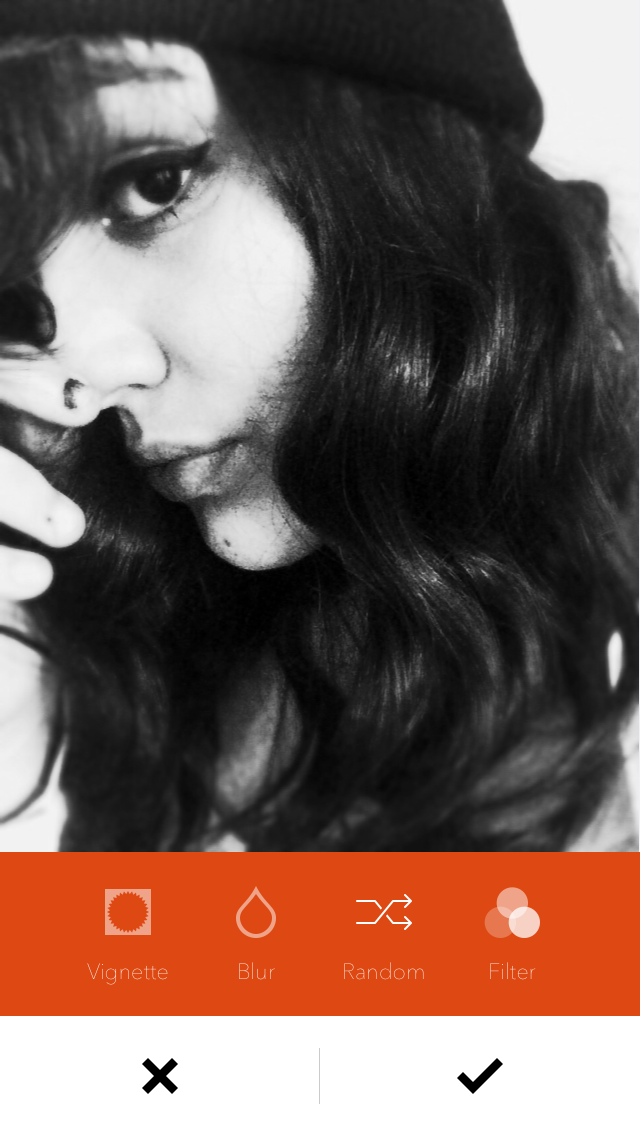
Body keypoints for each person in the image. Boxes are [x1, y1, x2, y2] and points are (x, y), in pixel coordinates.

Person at [0, 0, 636, 852]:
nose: (81, 371)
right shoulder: (117, 632)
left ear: (401, 160)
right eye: (13, 291)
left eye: (156, 184)